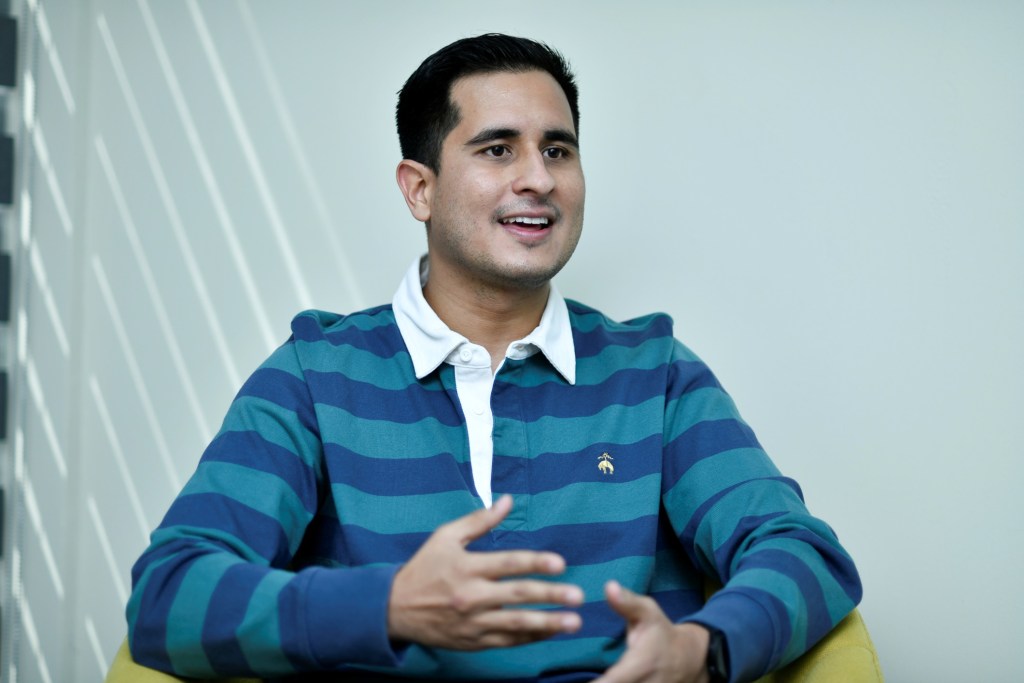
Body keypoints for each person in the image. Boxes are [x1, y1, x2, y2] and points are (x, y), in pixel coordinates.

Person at [126, 34, 861, 683]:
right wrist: (389, 605)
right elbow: (169, 593)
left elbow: (802, 552)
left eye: (558, 150)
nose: (539, 178)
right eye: (497, 149)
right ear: (420, 189)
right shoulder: (316, 375)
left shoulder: (654, 373)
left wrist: (700, 650)